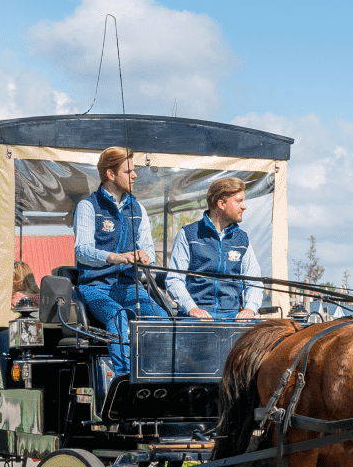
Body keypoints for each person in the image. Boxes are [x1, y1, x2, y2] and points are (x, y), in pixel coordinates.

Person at [74, 146, 160, 381]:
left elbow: (150, 251)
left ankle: (159, 379)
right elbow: (82, 251)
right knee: (118, 316)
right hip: (95, 286)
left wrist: (145, 256)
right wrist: (114, 257)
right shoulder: (88, 207)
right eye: (128, 171)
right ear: (110, 174)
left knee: (162, 320)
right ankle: (126, 381)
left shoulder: (139, 210)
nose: (135, 175)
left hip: (130, 287)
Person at [165, 177, 264, 320]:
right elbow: (174, 279)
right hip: (195, 318)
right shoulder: (188, 234)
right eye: (239, 201)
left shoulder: (242, 239)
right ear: (221, 204)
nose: (244, 206)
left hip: (233, 317)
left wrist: (250, 309)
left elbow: (254, 282)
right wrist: (192, 308)